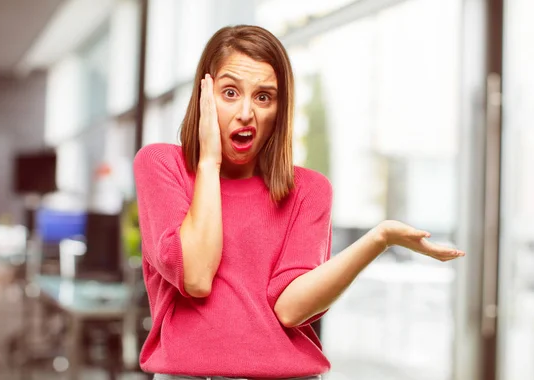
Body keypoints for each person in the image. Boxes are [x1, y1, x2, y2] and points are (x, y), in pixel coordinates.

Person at [133, 25, 465, 380]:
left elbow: (290, 310)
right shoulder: (161, 166)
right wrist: (209, 162)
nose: (246, 112)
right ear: (205, 93)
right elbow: (196, 276)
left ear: (280, 108)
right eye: (230, 92)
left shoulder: (308, 190)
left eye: (263, 97)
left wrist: (379, 239)